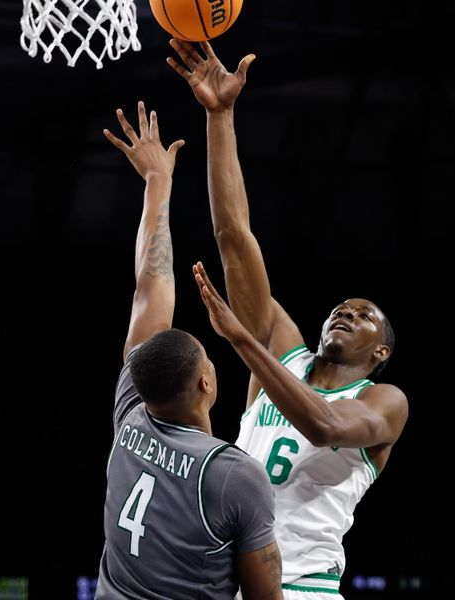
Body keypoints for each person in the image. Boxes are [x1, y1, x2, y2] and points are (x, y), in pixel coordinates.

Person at [168, 41, 410, 599]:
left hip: (306, 589)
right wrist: (220, 117)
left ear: (381, 352)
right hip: (227, 585)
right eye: (340, 307)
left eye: (364, 315)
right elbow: (235, 238)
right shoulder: (285, 349)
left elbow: (325, 427)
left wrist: (244, 343)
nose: (345, 312)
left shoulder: (385, 401)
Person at [94, 100, 283, 600]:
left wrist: (157, 184)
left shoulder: (131, 415)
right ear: (207, 383)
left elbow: (149, 288)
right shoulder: (234, 475)